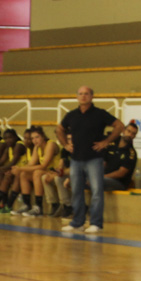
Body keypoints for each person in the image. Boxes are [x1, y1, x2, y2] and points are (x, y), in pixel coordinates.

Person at [56, 86, 124, 234]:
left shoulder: (100, 114)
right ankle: (77, 222)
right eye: (80, 94)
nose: (83, 96)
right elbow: (59, 129)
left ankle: (96, 223)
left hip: (94, 158)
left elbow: (119, 125)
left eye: (86, 94)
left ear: (92, 96)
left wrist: (106, 141)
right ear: (76, 97)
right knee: (77, 191)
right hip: (76, 159)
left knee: (97, 191)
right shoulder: (72, 115)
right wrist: (65, 144)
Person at [12, 126, 61, 217]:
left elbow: (43, 165)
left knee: (37, 173)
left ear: (43, 136)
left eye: (37, 137)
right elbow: (31, 164)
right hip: (47, 172)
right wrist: (18, 169)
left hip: (55, 172)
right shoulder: (37, 147)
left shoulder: (50, 144)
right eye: (32, 138)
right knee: (23, 174)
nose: (35, 140)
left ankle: (38, 207)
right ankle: (26, 204)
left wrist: (20, 168)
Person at [103, 121, 138, 192]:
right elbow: (103, 162)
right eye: (128, 131)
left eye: (133, 134)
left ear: (134, 136)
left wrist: (102, 177)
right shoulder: (112, 144)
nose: (130, 135)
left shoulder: (131, 153)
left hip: (119, 183)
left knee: (97, 181)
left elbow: (121, 173)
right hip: (104, 178)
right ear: (123, 130)